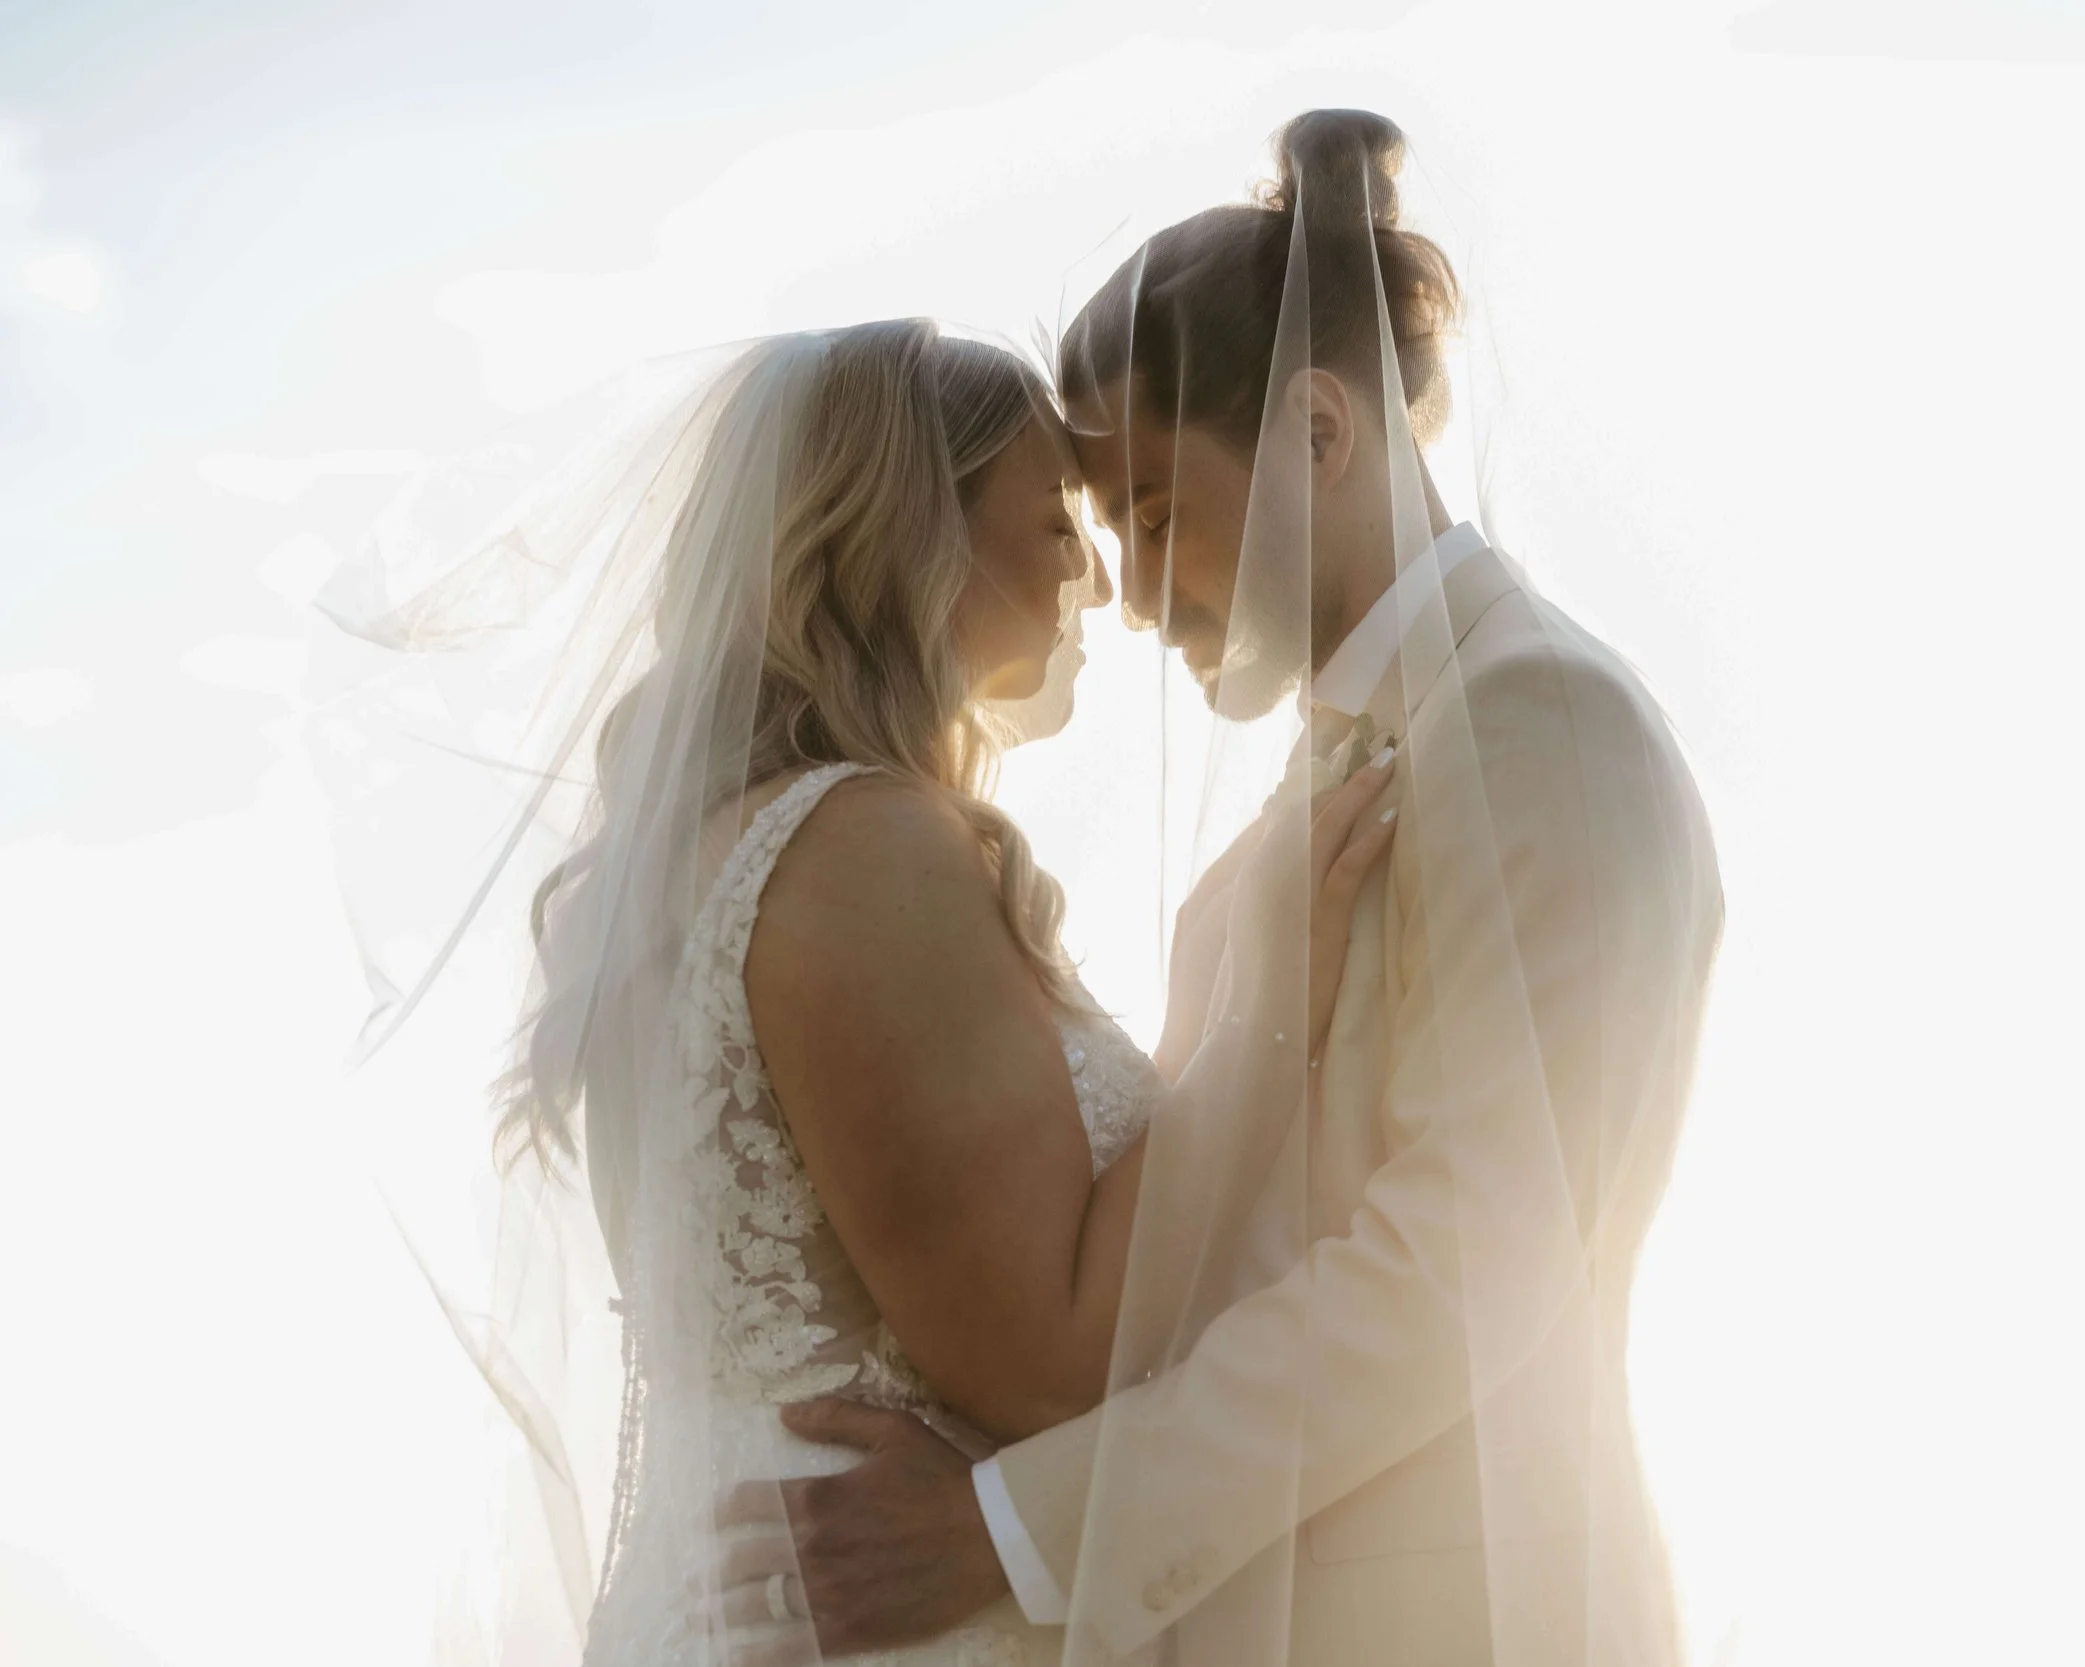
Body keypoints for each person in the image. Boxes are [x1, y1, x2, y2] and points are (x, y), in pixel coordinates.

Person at [737, 110, 1725, 1667]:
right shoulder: (1345, 755)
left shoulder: (1540, 723)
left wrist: (1014, 1523)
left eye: (1154, 517)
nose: (1129, 596)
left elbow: (1469, 1260)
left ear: (1321, 436)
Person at [322, 317, 1400, 1667]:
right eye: (1057, 517)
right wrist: (1261, 1002)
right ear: (915, 533)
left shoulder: (705, 867)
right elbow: (1052, 1354)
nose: (1097, 571)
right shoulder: (862, 845)